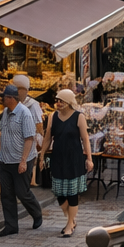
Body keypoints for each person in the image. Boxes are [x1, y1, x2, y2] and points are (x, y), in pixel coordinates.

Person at [39, 88, 92, 238]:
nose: (58, 103)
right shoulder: (52, 117)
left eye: (61, 101)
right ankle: (71, 218)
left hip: (74, 158)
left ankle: (70, 224)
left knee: (72, 193)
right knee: (59, 193)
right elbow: (48, 137)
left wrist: (89, 158)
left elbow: (85, 139)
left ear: (69, 102)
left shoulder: (78, 117)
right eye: (57, 100)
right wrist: (42, 155)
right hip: (58, 158)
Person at [0, 83, 44, 235]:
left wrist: (23, 161)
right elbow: (2, 134)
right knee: (6, 194)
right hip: (5, 160)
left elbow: (30, 138)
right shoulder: (5, 112)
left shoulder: (24, 113)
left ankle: (36, 213)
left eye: (4, 97)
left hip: (21, 160)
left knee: (22, 192)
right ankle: (11, 226)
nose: (2, 99)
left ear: (11, 98)